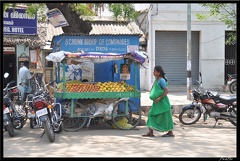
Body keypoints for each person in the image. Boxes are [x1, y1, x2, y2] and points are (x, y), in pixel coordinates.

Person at [142, 65, 175, 137]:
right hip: (156, 103)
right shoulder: (157, 80)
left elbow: (166, 91)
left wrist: (159, 98)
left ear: (159, 73)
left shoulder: (161, 80)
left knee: (166, 117)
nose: (153, 72)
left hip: (162, 102)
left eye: (154, 71)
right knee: (151, 114)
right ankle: (150, 132)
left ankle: (170, 132)